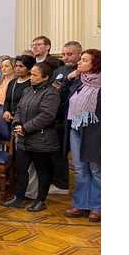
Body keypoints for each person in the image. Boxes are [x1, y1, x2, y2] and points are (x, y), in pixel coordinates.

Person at [3, 62, 60, 212]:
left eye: (35, 75)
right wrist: (17, 124)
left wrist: (25, 128)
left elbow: (47, 116)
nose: (31, 77)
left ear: (45, 77)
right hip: (23, 138)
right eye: (31, 74)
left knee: (42, 171)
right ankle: (18, 198)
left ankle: (40, 200)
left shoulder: (51, 93)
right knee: (21, 170)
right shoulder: (28, 90)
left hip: (41, 139)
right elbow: (19, 109)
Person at [64, 49, 101, 222]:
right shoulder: (79, 81)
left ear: (95, 63)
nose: (79, 62)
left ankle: (97, 207)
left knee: (95, 169)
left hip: (95, 131)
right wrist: (69, 78)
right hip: (75, 128)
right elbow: (63, 97)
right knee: (79, 169)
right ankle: (81, 204)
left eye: (84, 60)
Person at [50, 41, 84, 193]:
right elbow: (53, 89)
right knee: (58, 152)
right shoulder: (59, 70)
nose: (66, 57)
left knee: (76, 157)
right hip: (57, 117)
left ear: (79, 54)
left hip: (75, 118)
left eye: (69, 54)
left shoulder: (83, 72)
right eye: (64, 54)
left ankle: (74, 188)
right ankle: (60, 183)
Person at [2, 55, 35, 124]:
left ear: (29, 69)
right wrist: (6, 111)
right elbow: (7, 101)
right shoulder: (12, 82)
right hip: (10, 120)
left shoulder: (32, 83)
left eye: (21, 66)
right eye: (16, 66)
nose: (17, 68)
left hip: (26, 121)